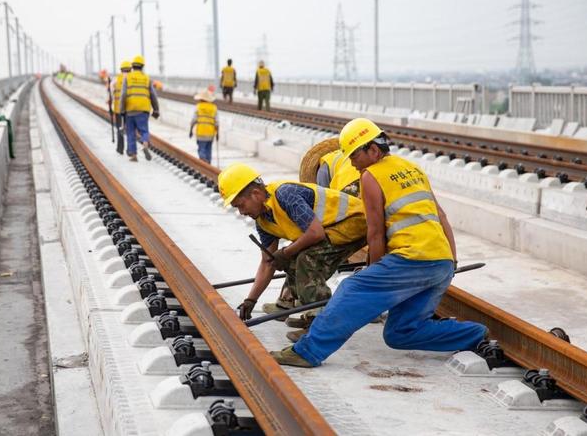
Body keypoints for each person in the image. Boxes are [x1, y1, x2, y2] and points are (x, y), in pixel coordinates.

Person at [271, 118, 488, 367]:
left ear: (373, 150)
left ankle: (307, 352)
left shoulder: (371, 176)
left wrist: (372, 270)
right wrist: (452, 261)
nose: (352, 163)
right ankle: (475, 334)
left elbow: (375, 233)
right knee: (400, 333)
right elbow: (442, 216)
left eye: (354, 156)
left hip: (412, 259)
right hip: (441, 262)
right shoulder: (412, 168)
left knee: (350, 290)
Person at [217, 163, 367, 340]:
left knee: (305, 258)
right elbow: (267, 263)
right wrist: (251, 300)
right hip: (331, 228)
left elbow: (315, 233)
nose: (241, 212)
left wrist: (286, 252)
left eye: (240, 205)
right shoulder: (263, 221)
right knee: (291, 255)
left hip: (354, 221)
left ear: (256, 194)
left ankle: (320, 323)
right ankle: (291, 303)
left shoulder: (285, 195)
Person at [120, 55, 160, 162]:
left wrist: (122, 109)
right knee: (144, 130)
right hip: (143, 110)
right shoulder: (147, 79)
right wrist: (156, 110)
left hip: (130, 109)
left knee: (131, 132)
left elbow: (123, 95)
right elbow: (153, 95)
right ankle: (145, 143)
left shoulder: (127, 78)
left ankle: (133, 155)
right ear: (142, 67)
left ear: (132, 66)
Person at [189, 89, 218, 164]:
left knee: (201, 150)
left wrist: (191, 130)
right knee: (208, 150)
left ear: (201, 99)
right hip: (211, 133)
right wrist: (218, 134)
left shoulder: (198, 107)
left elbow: (193, 120)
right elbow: (217, 123)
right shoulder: (214, 108)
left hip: (201, 133)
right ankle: (208, 164)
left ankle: (203, 163)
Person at [111, 60, 131, 155]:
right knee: (130, 129)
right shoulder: (132, 80)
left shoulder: (115, 80)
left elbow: (111, 93)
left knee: (120, 128)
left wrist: (111, 104)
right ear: (130, 70)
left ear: (121, 70)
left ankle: (120, 148)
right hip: (129, 110)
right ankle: (130, 149)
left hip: (118, 110)